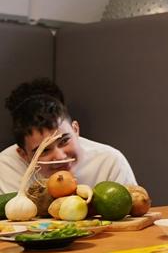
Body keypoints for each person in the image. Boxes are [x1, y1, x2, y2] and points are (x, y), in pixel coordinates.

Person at [0, 78, 136, 193]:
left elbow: (133, 210)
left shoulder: (109, 162)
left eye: (64, 141)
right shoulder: (6, 167)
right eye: (44, 150)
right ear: (23, 154)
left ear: (75, 130)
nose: (60, 157)